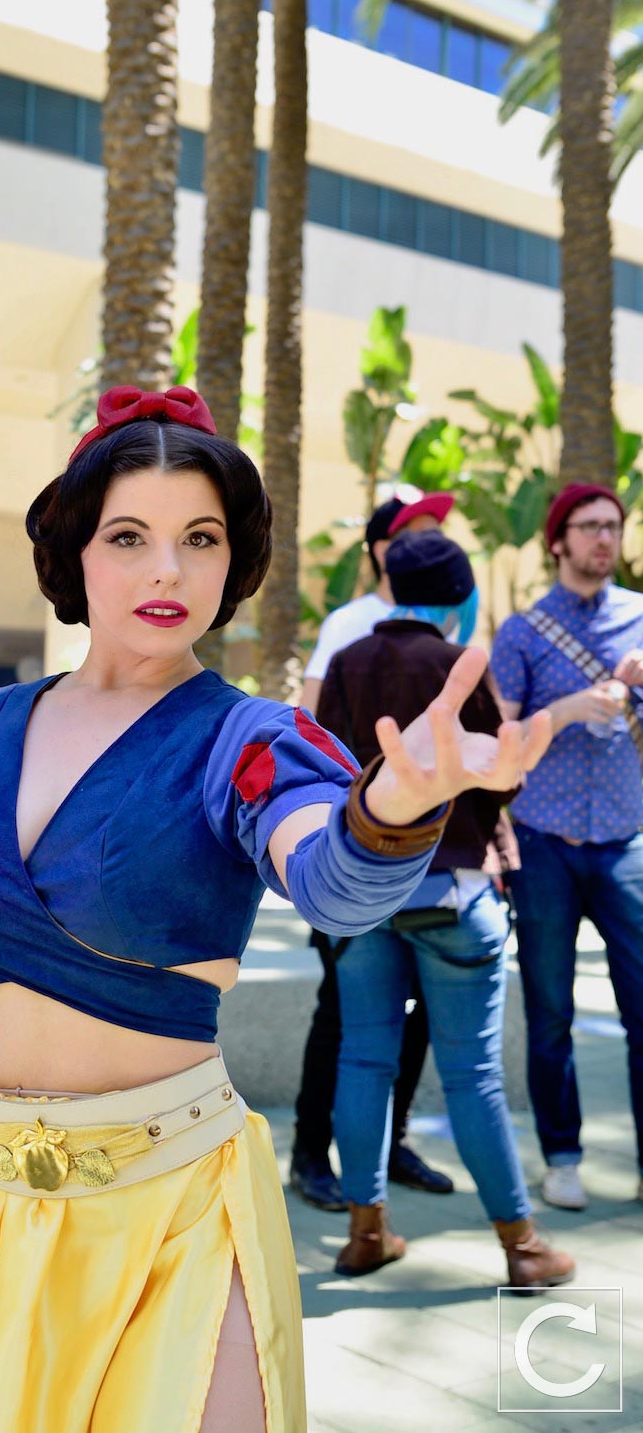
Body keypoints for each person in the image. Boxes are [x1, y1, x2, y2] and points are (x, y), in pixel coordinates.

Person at [0, 386, 548, 1433]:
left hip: (173, 1212)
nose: (166, 571)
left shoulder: (247, 740)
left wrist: (393, 808)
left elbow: (332, 882)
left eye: (200, 538)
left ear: (233, 561)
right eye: (128, 536)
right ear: (75, 551)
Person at [320, 530, 573, 1288]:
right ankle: (523, 1248)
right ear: (460, 596)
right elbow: (499, 775)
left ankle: (366, 1234)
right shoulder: (457, 663)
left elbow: (327, 774)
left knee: (363, 1058)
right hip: (455, 893)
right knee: (472, 1075)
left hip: (362, 896)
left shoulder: (346, 662)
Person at [291, 488, 456, 1210]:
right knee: (340, 1010)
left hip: (435, 862)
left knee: (418, 1011)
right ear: (382, 549)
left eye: (440, 530)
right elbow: (310, 728)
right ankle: (309, 1154)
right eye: (419, 530)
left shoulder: (451, 625)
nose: (435, 540)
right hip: (355, 856)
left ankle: (392, 1144)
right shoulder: (349, 625)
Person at [491, 482, 643, 1211]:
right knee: (550, 1013)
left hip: (626, 842)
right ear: (558, 540)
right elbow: (502, 744)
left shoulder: (641, 620)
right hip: (543, 843)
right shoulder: (522, 632)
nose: (604, 538)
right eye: (588, 526)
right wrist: (570, 709)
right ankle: (562, 1158)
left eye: (612, 525)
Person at [299, 490, 453, 719]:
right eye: (421, 537)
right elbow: (309, 714)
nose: (435, 547)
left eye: (437, 536)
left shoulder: (447, 619)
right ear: (383, 552)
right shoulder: (348, 622)